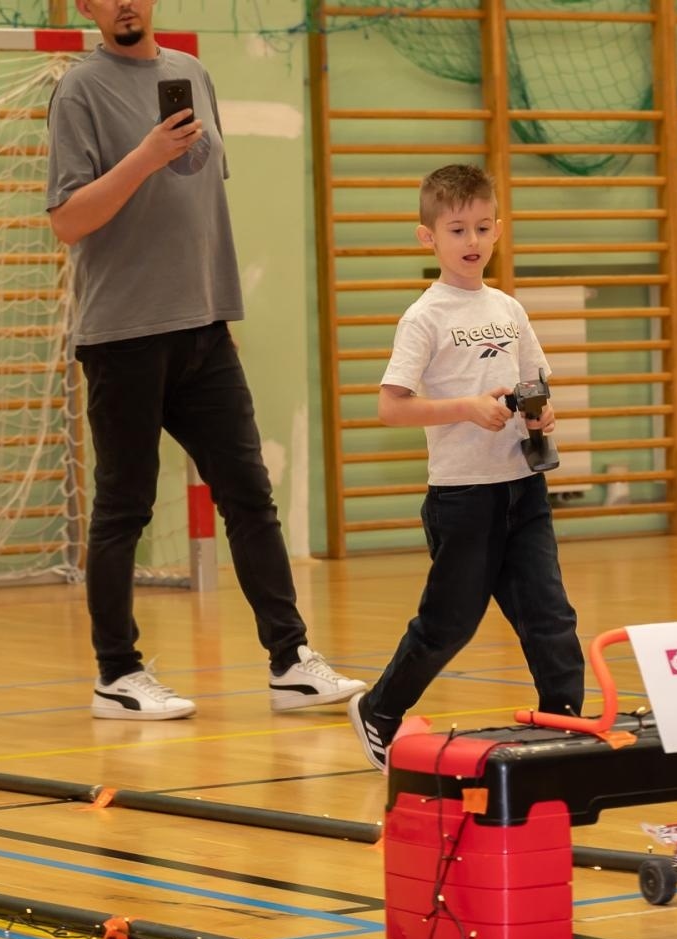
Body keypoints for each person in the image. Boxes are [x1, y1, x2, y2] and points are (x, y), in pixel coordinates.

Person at [45, 0, 365, 721]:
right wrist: (145, 156)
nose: (125, 1)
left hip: (205, 330)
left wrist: (216, 315)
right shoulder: (80, 90)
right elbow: (68, 221)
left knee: (250, 494)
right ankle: (116, 675)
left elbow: (198, 204)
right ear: (88, 7)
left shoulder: (192, 73)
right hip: (123, 336)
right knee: (124, 506)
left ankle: (290, 661)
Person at [348, 164, 585, 770]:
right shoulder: (424, 317)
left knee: (550, 617)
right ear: (428, 237)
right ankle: (379, 707)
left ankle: (566, 724)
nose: (472, 241)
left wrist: (541, 414)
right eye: (457, 230)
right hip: (463, 499)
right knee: (449, 625)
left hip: (522, 491)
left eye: (482, 227)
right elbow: (390, 407)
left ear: (499, 229)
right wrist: (465, 408)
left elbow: (535, 384)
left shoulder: (508, 308)